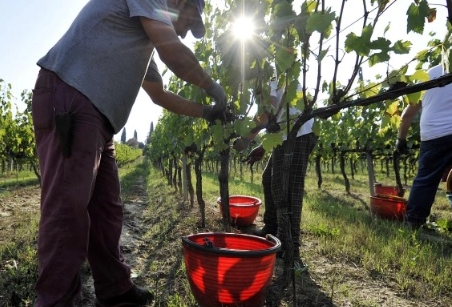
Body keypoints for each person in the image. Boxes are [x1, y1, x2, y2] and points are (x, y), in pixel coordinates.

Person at [31, 1, 228, 306]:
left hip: (98, 117)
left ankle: (115, 289)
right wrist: (212, 87)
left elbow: (159, 95)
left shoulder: (143, 32)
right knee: (67, 212)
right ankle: (56, 300)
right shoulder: (151, 9)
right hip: (71, 98)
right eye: (190, 21)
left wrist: (207, 113)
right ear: (180, 2)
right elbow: (172, 50)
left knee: (106, 211)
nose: (187, 32)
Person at [234, 79, 317, 265]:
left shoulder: (265, 72)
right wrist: (264, 146)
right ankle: (271, 228)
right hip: (286, 133)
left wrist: (246, 139)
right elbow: (277, 114)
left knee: (289, 190)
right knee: (268, 179)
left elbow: (268, 112)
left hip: (299, 132)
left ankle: (290, 247)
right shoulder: (269, 75)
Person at [396, 64, 452, 229]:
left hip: (433, 134)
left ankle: (413, 221)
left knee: (426, 180)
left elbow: (407, 115)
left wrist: (401, 140)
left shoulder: (428, 74)